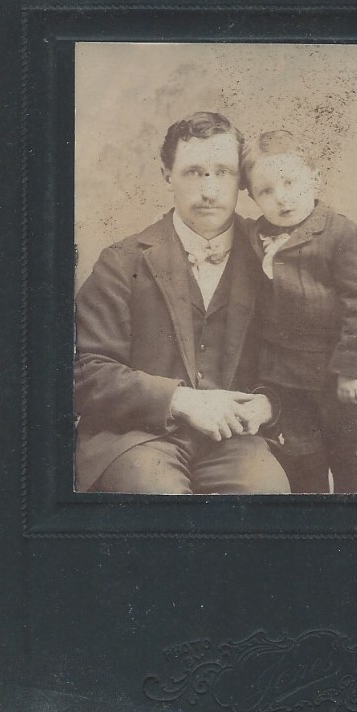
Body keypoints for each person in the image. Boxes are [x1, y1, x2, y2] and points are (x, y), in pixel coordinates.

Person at [74, 112, 290, 494]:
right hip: (138, 436)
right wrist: (180, 400)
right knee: (155, 495)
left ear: (242, 180)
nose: (209, 190)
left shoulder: (274, 257)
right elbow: (86, 371)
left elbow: (301, 358)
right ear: (167, 175)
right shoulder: (121, 262)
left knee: (265, 494)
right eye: (193, 172)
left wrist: (268, 403)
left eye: (223, 172)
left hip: (235, 441)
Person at [241, 129, 357, 493]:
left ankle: (354, 519)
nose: (281, 197)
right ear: (253, 197)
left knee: (347, 461)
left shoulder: (344, 235)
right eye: (266, 191)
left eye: (290, 182)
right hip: (285, 378)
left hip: (337, 378)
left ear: (315, 179)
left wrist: (350, 370)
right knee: (302, 461)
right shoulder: (256, 236)